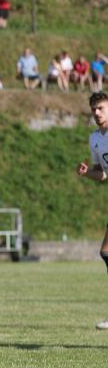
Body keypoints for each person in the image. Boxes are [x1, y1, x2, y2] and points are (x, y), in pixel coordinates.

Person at [76, 92, 108, 328]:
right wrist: (87, 173)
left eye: (101, 108)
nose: (97, 113)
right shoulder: (95, 139)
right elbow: (102, 173)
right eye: (94, 109)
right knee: (106, 252)